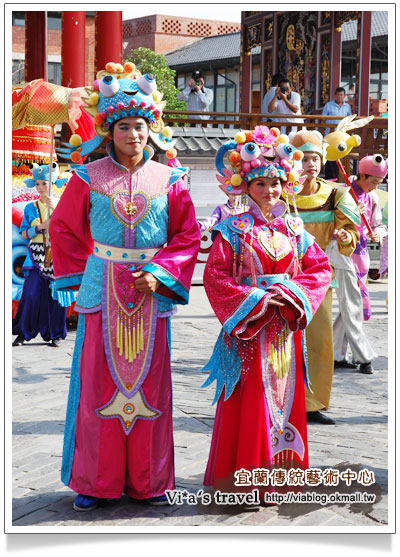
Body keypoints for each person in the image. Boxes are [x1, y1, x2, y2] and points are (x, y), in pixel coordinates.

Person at [49, 62, 201, 511]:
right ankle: (95, 482)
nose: (133, 135)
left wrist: (161, 272)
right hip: (103, 288)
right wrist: (79, 278)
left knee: (152, 388)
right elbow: (63, 228)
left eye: (140, 126)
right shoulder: (86, 178)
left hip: (151, 290)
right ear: (110, 131)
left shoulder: (171, 180)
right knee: (97, 386)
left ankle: (150, 482)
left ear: (150, 129)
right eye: (124, 127)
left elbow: (187, 235)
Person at [201, 127, 332, 494]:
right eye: (260, 183)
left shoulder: (294, 228)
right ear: (246, 185)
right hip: (251, 328)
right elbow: (215, 277)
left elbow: (319, 269)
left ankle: (281, 478)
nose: (269, 191)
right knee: (252, 400)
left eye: (275, 183)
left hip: (285, 329)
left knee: (285, 396)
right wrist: (258, 300)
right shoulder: (233, 229)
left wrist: (290, 293)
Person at [287, 130, 360, 424]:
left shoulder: (336, 193)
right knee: (284, 341)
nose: (310, 164)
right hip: (283, 278)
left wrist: (344, 234)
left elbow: (352, 230)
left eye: (315, 158)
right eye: (304, 158)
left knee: (319, 340)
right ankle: (279, 398)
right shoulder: (281, 193)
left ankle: (313, 403)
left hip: (319, 278)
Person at [327, 155, 388, 375]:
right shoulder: (340, 192)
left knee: (350, 305)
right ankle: (363, 356)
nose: (374, 187)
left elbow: (378, 223)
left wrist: (378, 234)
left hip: (361, 254)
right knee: (358, 304)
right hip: (341, 252)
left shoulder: (372, 200)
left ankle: (334, 354)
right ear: (362, 175)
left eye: (379, 184)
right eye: (373, 182)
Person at [12, 163, 69, 347]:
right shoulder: (30, 208)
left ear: (52, 183)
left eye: (44, 183)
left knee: (55, 295)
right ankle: (23, 332)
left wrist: (57, 210)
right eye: (37, 184)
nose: (41, 187)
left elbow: (69, 230)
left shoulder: (62, 204)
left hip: (56, 254)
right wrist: (39, 227)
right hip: (35, 255)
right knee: (31, 293)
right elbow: (23, 233)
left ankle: (55, 334)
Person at [322, 88, 352, 180]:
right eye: (338, 95)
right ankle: (329, 178)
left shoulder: (347, 107)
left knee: (341, 155)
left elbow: (349, 119)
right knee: (329, 156)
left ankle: (340, 177)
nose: (340, 97)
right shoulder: (328, 105)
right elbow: (323, 119)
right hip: (330, 135)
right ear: (335, 95)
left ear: (344, 96)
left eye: (342, 95)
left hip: (342, 136)